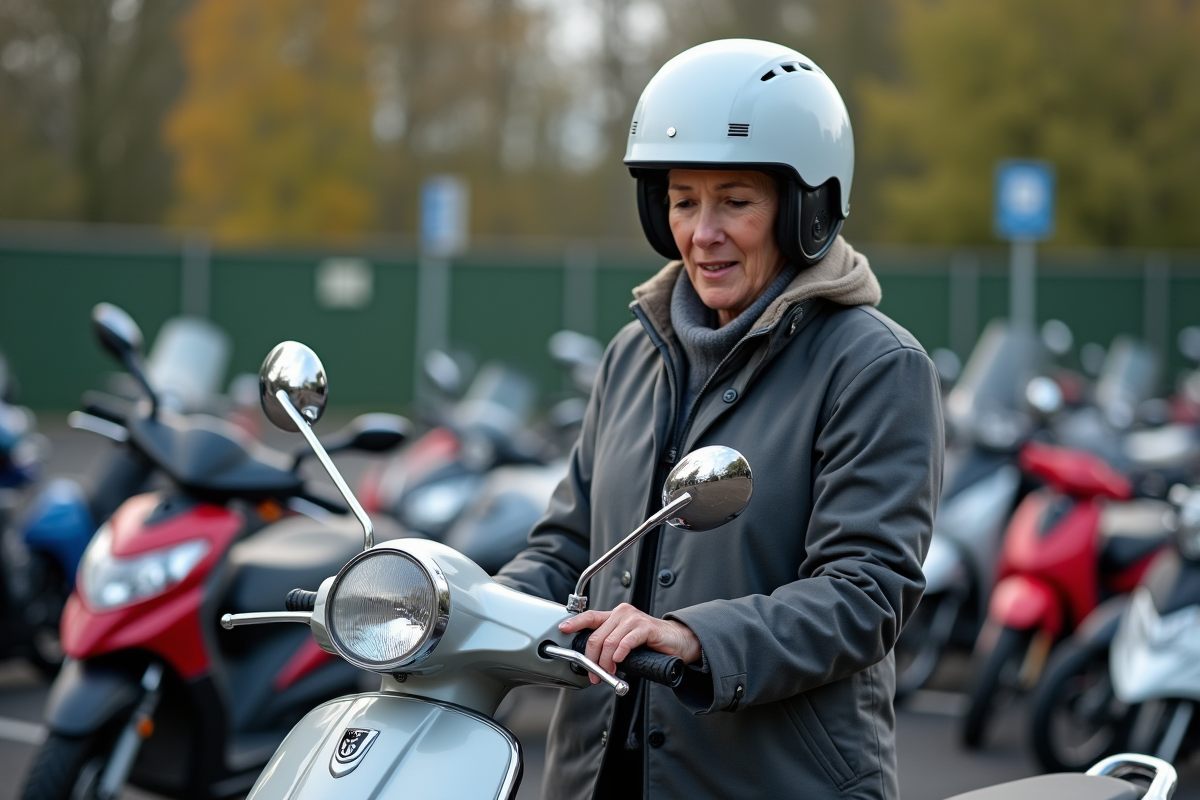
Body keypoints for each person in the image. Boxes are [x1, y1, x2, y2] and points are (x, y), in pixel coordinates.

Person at [495, 38, 942, 800]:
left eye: (735, 201)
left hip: (774, 779)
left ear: (806, 208)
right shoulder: (633, 355)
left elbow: (866, 590)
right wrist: (459, 611)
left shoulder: (873, 366)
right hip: (596, 773)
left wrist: (699, 637)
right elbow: (570, 547)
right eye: (682, 201)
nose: (704, 232)